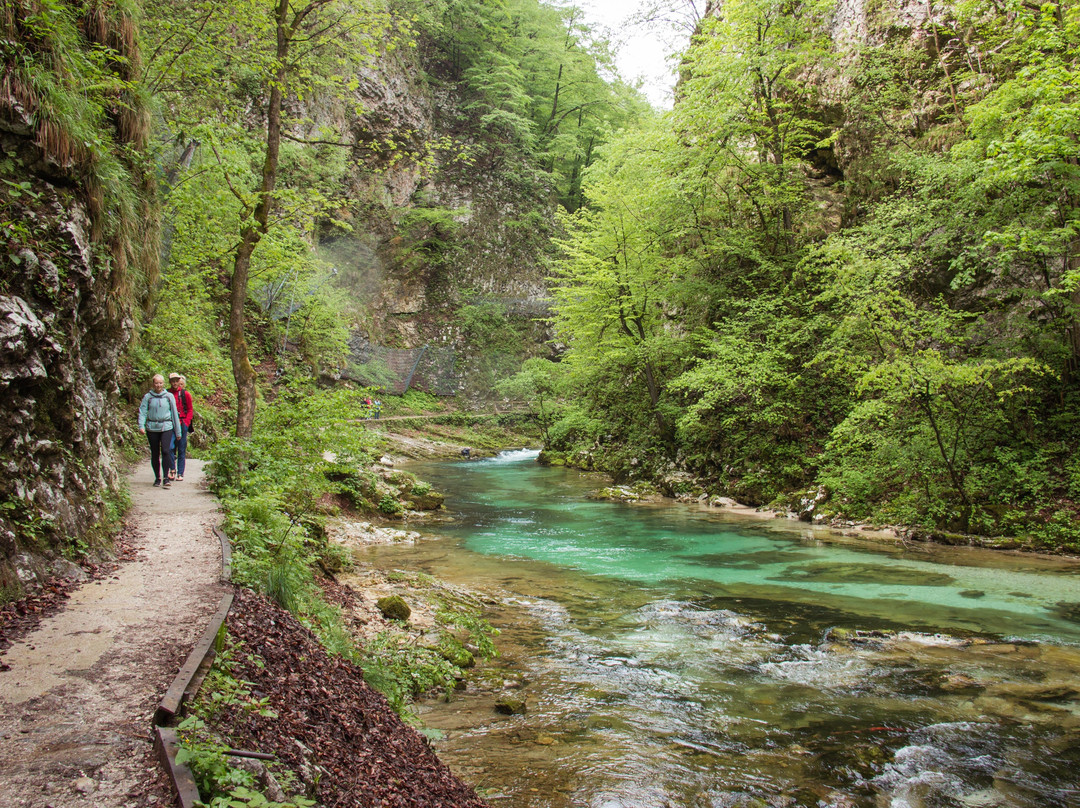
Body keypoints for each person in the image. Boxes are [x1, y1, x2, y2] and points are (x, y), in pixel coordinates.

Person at [138, 374, 181, 488]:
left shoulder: (168, 396)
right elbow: (142, 411)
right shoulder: (148, 397)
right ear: (153, 384)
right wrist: (141, 426)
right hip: (152, 427)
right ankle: (157, 477)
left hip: (166, 426)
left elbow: (174, 414)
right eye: (156, 383)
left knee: (166, 451)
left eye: (160, 383)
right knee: (155, 453)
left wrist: (178, 432)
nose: (158, 385)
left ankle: (166, 477)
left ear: (163, 384)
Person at [169, 373, 194, 481]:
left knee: (181, 448)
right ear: (170, 382)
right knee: (170, 447)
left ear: (179, 381)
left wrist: (186, 422)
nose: (175, 383)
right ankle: (172, 470)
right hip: (170, 424)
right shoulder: (167, 393)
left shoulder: (185, 394)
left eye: (176, 381)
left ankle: (180, 473)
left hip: (182, 422)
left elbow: (190, 409)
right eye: (172, 381)